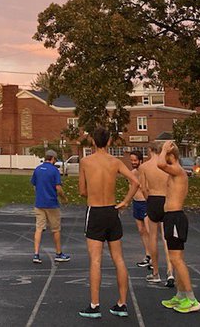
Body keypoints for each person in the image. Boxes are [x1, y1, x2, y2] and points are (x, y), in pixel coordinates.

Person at [78, 127, 141, 319]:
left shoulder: (85, 162)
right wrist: (125, 202)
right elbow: (135, 183)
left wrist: (95, 194)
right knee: (119, 259)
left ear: (92, 142)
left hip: (95, 212)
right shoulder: (115, 162)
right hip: (112, 212)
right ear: (109, 142)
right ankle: (122, 304)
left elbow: (82, 191)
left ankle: (95, 305)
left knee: (95, 260)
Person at [156, 140, 199, 313]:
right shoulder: (173, 173)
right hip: (171, 217)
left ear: (170, 155)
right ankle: (181, 295)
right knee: (176, 258)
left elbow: (159, 163)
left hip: (175, 218)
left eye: (165, 154)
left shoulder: (177, 170)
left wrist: (165, 148)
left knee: (176, 260)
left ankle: (191, 299)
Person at [139, 139, 172, 286]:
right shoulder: (167, 166)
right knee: (167, 238)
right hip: (166, 199)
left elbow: (143, 188)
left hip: (153, 199)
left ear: (150, 151)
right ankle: (170, 272)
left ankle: (156, 272)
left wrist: (148, 200)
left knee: (153, 236)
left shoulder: (145, 166)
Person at [30, 148, 70, 263]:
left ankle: (36, 254)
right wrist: (64, 198)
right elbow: (58, 188)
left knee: (39, 228)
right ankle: (58, 253)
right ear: (53, 159)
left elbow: (34, 185)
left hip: (39, 203)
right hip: (51, 204)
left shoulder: (37, 169)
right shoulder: (54, 171)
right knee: (56, 229)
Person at [127, 151, 157, 273]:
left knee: (150, 231)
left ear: (140, 160)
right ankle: (148, 255)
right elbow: (131, 189)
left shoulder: (145, 171)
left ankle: (154, 259)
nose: (133, 162)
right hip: (136, 203)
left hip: (145, 203)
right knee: (141, 230)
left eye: (135, 160)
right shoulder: (132, 173)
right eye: (132, 160)